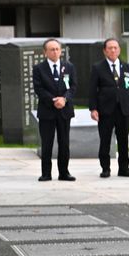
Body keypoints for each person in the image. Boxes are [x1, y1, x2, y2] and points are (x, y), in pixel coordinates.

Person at [88, 37, 129, 178]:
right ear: (105, 51)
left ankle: (124, 168)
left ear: (119, 50)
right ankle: (105, 168)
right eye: (110, 48)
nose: (113, 50)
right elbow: (92, 90)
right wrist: (93, 109)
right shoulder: (98, 68)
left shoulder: (127, 67)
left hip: (123, 109)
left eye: (115, 47)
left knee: (123, 140)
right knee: (105, 139)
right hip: (105, 110)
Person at [33, 38, 77, 182]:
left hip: (64, 110)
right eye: (52, 49)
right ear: (45, 52)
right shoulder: (39, 69)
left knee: (64, 143)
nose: (55, 52)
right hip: (47, 111)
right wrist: (53, 100)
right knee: (47, 143)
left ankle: (64, 172)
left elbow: (73, 87)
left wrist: (64, 99)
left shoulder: (69, 67)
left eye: (57, 49)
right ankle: (46, 173)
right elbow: (39, 88)